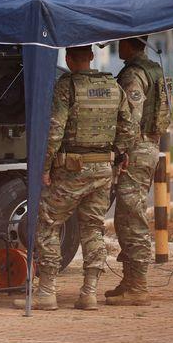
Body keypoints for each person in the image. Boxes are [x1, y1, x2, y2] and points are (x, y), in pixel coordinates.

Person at [14, 45, 137, 311]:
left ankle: (47, 292)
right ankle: (89, 293)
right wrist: (118, 153)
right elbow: (128, 128)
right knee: (93, 228)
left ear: (68, 59)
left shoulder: (66, 87)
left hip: (71, 170)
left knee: (48, 223)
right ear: (91, 57)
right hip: (103, 169)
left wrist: (44, 167)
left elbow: (55, 130)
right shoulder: (113, 87)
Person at [107, 36, 170, 305]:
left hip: (137, 148)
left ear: (129, 44)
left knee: (131, 215)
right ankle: (130, 279)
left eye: (120, 42)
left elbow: (131, 118)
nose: (117, 46)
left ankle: (139, 285)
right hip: (148, 145)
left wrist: (120, 151)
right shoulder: (154, 68)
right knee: (125, 214)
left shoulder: (134, 74)